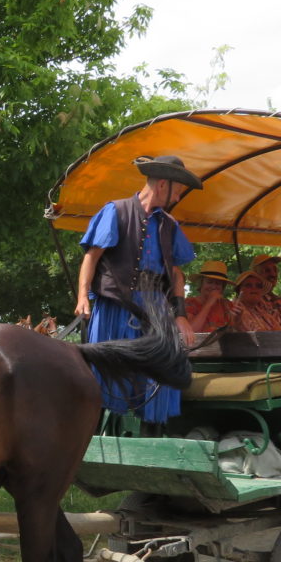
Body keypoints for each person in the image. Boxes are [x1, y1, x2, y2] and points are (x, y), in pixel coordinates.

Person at [75, 153, 200, 424]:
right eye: (177, 191)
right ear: (163, 185)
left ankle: (152, 439)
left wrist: (180, 314)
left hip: (156, 309)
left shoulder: (170, 225)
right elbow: (91, 258)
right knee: (108, 376)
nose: (178, 198)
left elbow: (177, 274)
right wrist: (83, 296)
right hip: (115, 307)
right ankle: (98, 437)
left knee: (160, 377)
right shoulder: (115, 211)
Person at [185, 260, 236, 331]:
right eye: (209, 282)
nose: (213, 286)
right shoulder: (189, 303)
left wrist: (238, 318)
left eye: (218, 283)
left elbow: (233, 331)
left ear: (222, 287)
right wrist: (209, 303)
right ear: (201, 284)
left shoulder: (227, 305)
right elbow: (191, 330)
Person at [249, 253, 281, 329]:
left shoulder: (278, 300)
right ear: (256, 275)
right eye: (267, 270)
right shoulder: (252, 301)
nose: (273, 274)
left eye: (275, 270)